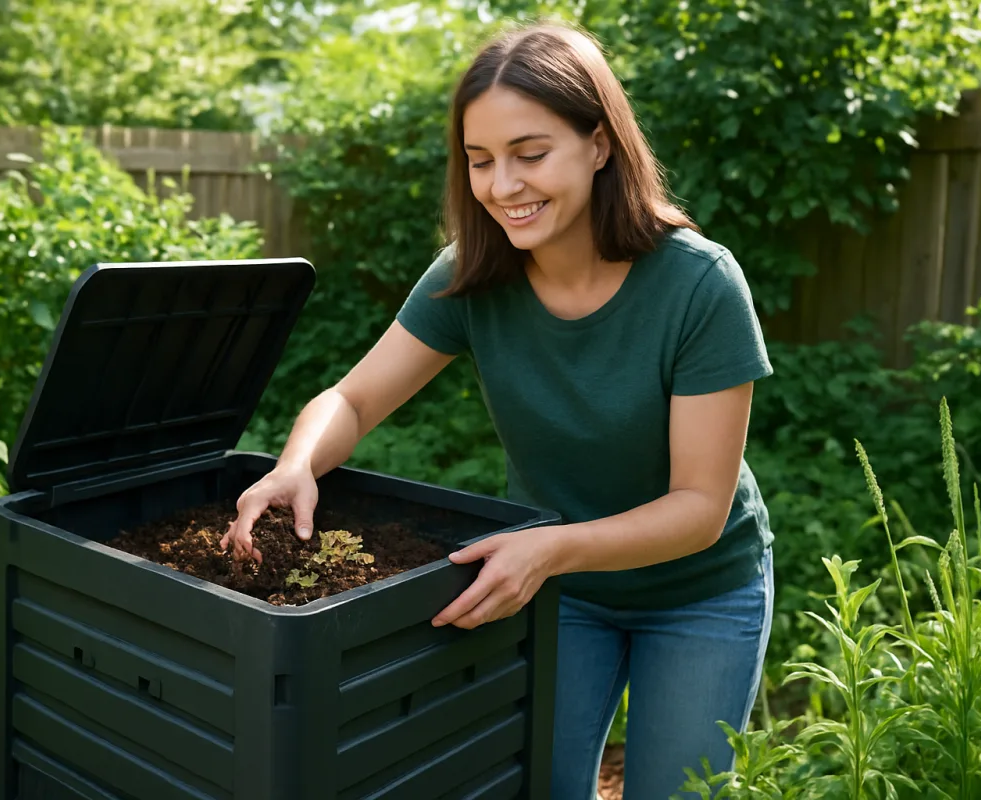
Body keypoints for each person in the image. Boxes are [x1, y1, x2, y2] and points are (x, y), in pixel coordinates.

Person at [220, 20, 774, 800]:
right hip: (561, 592)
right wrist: (295, 465)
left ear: (599, 144)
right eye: (480, 162)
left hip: (698, 592)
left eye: (530, 153)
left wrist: (546, 550)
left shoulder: (699, 287)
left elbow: (698, 509)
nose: (503, 186)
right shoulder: (474, 274)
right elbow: (352, 396)